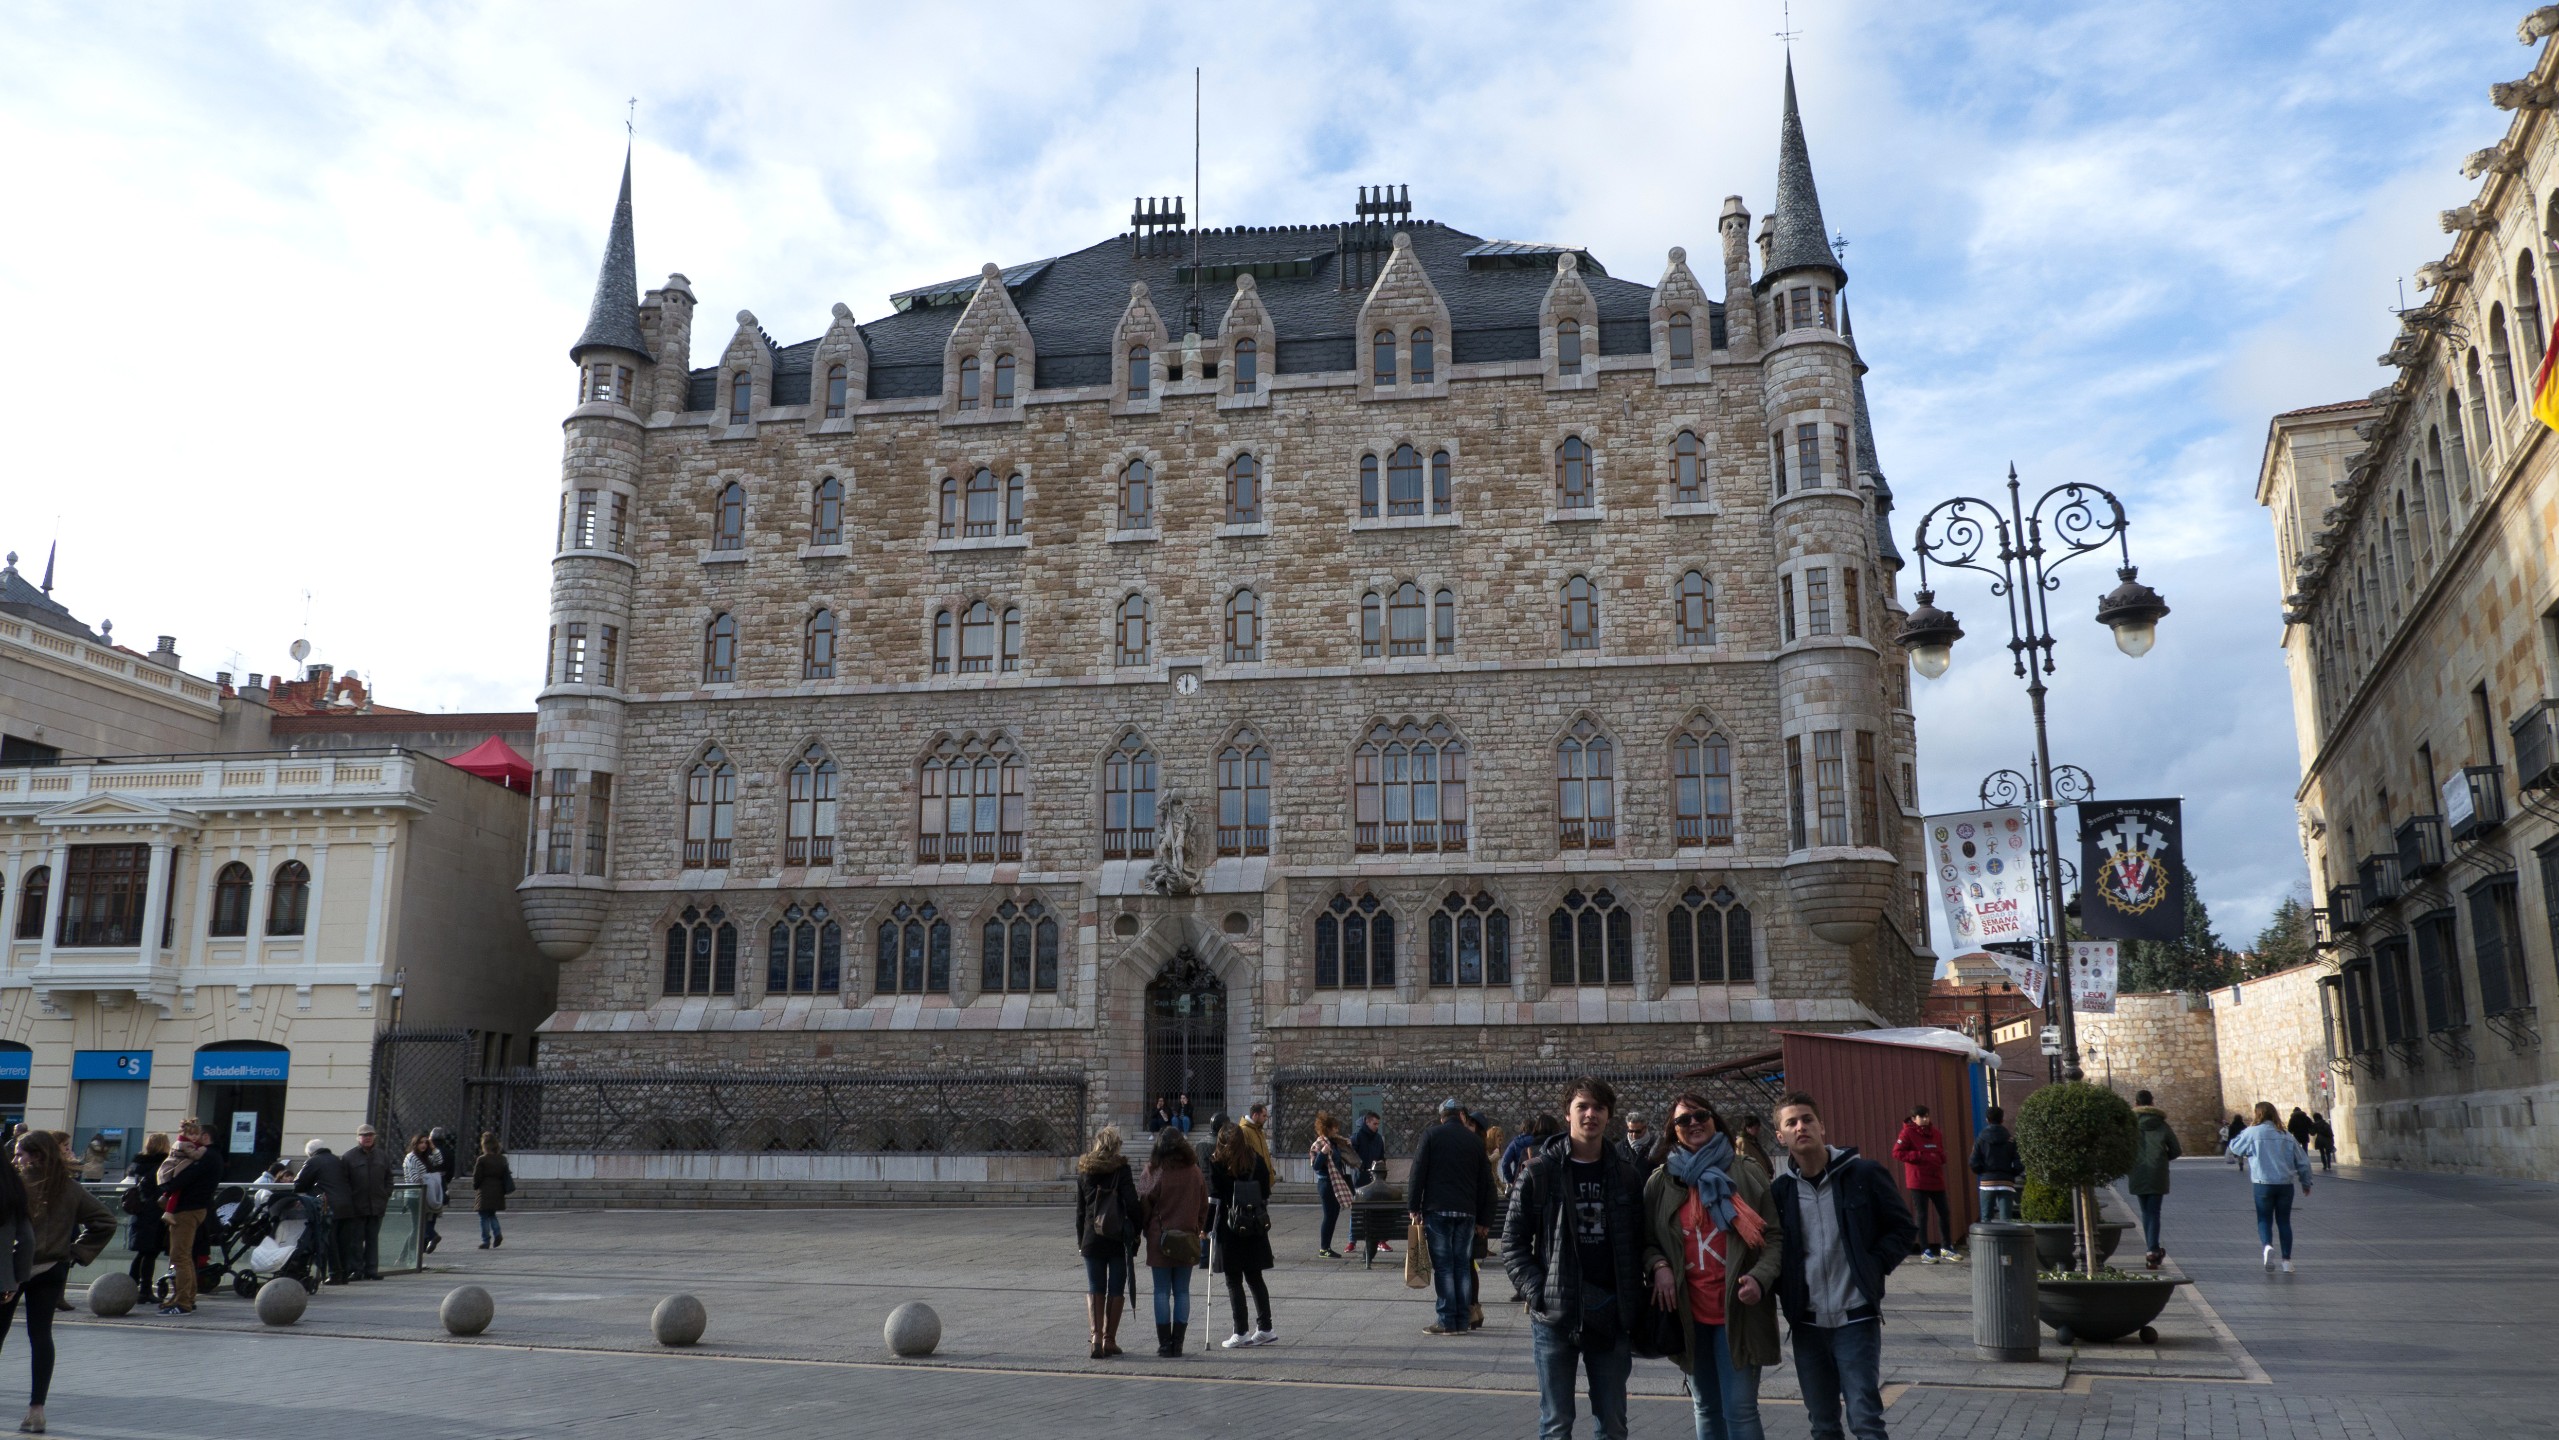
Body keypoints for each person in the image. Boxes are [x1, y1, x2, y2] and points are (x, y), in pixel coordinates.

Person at [1503, 1077, 1645, 1440]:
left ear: (1609, 1115)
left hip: (1611, 1312)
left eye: (1599, 1107)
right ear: (1567, 1114)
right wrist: (1540, 1292)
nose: (1590, 1114)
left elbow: (1641, 1240)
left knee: (1613, 1425)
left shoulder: (1626, 1176)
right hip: (1556, 1315)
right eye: (1582, 1106)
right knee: (1556, 1424)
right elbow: (1513, 1243)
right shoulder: (1540, 1172)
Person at [1771, 1089, 1915, 1440]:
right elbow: (1773, 1248)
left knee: (1865, 1420)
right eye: (1791, 1123)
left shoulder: (1863, 1173)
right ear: (1781, 1136)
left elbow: (1902, 1228)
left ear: (1821, 1126)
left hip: (1856, 1318)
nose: (1801, 1127)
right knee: (1822, 1424)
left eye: (1807, 1119)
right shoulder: (1780, 1192)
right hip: (1807, 1324)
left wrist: (1873, 1264)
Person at [1644, 1094, 1780, 1440]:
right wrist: (1658, 1264)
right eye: (1683, 1120)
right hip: (1689, 1316)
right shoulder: (1661, 1182)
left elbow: (1774, 1236)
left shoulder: (1746, 1172)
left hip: (1738, 1312)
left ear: (1714, 1119)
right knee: (1704, 1406)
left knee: (1740, 1410)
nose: (1693, 1123)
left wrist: (1760, 1278)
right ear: (1673, 1130)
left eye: (1701, 1115)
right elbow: (1645, 1240)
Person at [11, 1133, 107, 1433]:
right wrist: (76, 1253)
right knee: (41, 1336)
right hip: (52, 1267)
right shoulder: (69, 1187)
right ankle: (37, 1409)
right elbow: (105, 1221)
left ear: (36, 1155)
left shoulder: (16, 1185)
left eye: (20, 1154)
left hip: (12, 1268)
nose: (16, 1159)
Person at [1409, 1097, 1497, 1336]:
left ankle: (1447, 1320)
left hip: (1437, 1209)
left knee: (1444, 1267)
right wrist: (1485, 1219)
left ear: (1442, 1118)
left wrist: (1414, 1206)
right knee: (1462, 1265)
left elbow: (1418, 1172)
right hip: (1467, 1211)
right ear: (1462, 1116)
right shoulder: (1474, 1141)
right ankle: (1461, 1319)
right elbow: (1486, 1183)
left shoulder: (1431, 1136)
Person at [1138, 1126, 1209, 1357]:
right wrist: (1196, 1227)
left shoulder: (1154, 1170)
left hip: (1160, 1237)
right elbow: (1204, 1204)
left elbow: (1144, 1202)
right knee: (1182, 1291)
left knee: (1161, 1291)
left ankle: (1164, 1344)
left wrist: (1146, 1228)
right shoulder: (1194, 1171)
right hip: (1187, 1237)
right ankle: (1178, 1344)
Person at [1208, 1121, 1277, 1348]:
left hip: (1230, 1227)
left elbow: (1215, 1199)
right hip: (1254, 1223)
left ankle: (1241, 1331)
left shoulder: (1218, 1162)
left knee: (1233, 1280)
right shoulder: (1256, 1159)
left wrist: (1207, 1227)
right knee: (1255, 1277)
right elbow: (1265, 1192)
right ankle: (1265, 1327)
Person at [1073, 1125, 1141, 1360]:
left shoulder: (1085, 1171)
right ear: (1116, 1146)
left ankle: (1096, 1338)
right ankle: (1109, 1339)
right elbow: (1132, 1203)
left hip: (1092, 1237)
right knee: (1116, 1287)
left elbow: (1080, 1212)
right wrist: (1136, 1231)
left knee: (1095, 1286)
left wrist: (1081, 1241)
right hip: (1117, 1237)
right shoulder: (1121, 1170)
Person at [2225, 1101, 2312, 1273]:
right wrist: (2306, 1182)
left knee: (2264, 1219)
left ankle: (2267, 1246)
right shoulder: (2286, 1135)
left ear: (2257, 1114)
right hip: (2285, 1184)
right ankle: (2287, 1261)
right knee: (2284, 1221)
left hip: (2262, 1183)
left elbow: (2235, 1147)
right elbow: (2303, 1161)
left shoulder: (2252, 1132)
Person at [160, 1125, 220, 1313]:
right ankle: (187, 1297)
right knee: (186, 1256)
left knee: (180, 1256)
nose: (193, 1139)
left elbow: (181, 1180)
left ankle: (183, 1302)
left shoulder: (206, 1157)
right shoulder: (214, 1156)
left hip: (187, 1210)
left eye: (196, 1134)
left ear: (205, 1136)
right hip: (196, 1209)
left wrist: (167, 1184)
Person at [2127, 1090, 2182, 1270]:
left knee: (2146, 1211)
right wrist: (2162, 1158)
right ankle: (2152, 1249)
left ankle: (2152, 1249)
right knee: (2153, 1212)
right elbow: (2176, 1150)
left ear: (2136, 1104)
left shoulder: (2129, 1125)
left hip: (2137, 1171)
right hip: (2157, 1173)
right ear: (2152, 1103)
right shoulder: (2162, 1125)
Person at [1891, 1105, 1951, 1262]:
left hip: (1936, 1178)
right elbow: (1897, 1152)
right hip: (1918, 1180)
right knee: (1922, 1215)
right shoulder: (1907, 1133)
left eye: (1927, 1116)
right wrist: (1919, 1155)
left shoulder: (1936, 1133)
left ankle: (1946, 1247)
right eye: (1921, 1117)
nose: (1925, 1119)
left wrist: (1940, 1157)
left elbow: (1940, 1151)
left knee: (1944, 1212)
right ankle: (1925, 1250)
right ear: (1914, 1119)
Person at [294, 1137, 354, 1283]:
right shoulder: (337, 1160)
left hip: (328, 1206)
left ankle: (334, 1274)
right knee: (343, 1242)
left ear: (310, 1153)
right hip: (347, 1205)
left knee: (329, 1241)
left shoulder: (313, 1161)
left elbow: (299, 1183)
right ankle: (344, 1274)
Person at [343, 1124, 395, 1280]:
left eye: (370, 1135)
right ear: (358, 1138)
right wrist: (350, 1199)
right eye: (364, 1135)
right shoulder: (349, 1157)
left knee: (373, 1240)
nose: (368, 1138)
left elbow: (389, 1177)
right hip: (357, 1206)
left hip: (377, 1205)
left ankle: (371, 1270)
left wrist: (386, 1193)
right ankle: (356, 1270)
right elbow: (344, 1181)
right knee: (356, 1241)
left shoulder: (382, 1155)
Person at [121, 1133, 170, 1296]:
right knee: (150, 1253)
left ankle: (131, 1287)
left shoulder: (139, 1165)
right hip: (154, 1213)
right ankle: (145, 1290)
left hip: (141, 1212)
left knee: (143, 1252)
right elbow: (161, 1190)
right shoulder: (162, 1165)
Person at [1309, 1112, 1359, 1259]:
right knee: (1329, 1216)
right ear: (1328, 1128)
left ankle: (1327, 1247)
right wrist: (1323, 1153)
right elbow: (1316, 1166)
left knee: (1333, 1215)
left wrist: (1345, 1145)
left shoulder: (1334, 1142)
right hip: (1326, 1183)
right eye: (1335, 1128)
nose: (1337, 1130)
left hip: (1335, 1182)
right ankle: (1324, 1248)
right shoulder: (1320, 1144)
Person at [1967, 1105, 2023, 1225]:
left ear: (1987, 1120)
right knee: (2006, 1220)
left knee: (1986, 1218)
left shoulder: (1981, 1139)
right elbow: (2019, 1162)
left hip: (1987, 1181)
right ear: (2002, 1120)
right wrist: (2012, 1173)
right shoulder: (2010, 1139)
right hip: (2006, 1181)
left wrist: (1982, 1172)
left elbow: (1973, 1161)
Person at [403, 1134, 446, 1256]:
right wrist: (427, 1180)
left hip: (423, 1195)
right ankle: (433, 1236)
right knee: (418, 1224)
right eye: (420, 1142)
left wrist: (433, 1148)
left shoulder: (424, 1157)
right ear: (415, 1144)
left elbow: (439, 1161)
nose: (423, 1145)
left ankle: (404, 1256)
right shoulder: (411, 1157)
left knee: (417, 1227)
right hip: (414, 1195)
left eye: (425, 1143)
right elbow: (414, 1178)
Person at [471, 1132, 511, 1248]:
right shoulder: (502, 1159)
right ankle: (497, 1233)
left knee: (483, 1215)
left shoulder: (482, 1159)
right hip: (498, 1190)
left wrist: (475, 1186)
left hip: (484, 1190)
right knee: (492, 1214)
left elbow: (477, 1176)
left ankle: (486, 1240)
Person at [1239, 1102, 1276, 1174]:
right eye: (1264, 1116)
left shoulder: (1259, 1130)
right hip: (1254, 1175)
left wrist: (1270, 1169)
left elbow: (1264, 1153)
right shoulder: (1244, 1130)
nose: (1266, 1118)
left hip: (1264, 1174)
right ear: (1255, 1115)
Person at [1620, 1112, 1659, 1177]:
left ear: (1645, 1128)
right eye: (1631, 1131)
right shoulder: (1620, 1147)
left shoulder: (1656, 1146)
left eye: (1638, 1131)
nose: (1634, 1135)